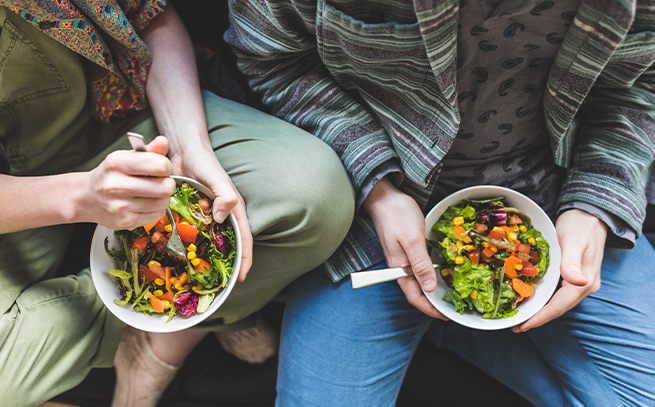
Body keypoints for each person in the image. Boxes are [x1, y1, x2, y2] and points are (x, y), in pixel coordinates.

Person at [225, 0, 655, 405]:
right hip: (367, 208)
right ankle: (463, 327)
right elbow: (274, 60)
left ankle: (457, 330)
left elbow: (638, 83)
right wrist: (379, 191)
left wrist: (597, 204)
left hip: (554, 198)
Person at [0, 1, 354, 406]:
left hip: (111, 113)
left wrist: (189, 146)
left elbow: (151, 17)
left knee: (314, 194)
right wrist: (78, 198)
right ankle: (171, 324)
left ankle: (166, 330)